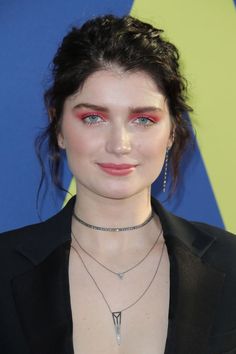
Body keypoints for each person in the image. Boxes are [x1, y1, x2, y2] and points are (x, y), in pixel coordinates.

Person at [0, 14, 236, 354]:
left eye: (143, 119)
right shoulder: (5, 267)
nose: (120, 143)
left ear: (171, 131)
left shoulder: (230, 263)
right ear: (59, 126)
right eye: (93, 117)